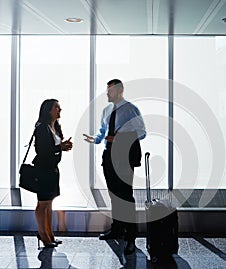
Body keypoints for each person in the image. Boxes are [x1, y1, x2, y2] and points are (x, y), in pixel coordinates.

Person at [83, 79, 146, 255]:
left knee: (126, 195)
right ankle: (117, 229)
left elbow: (142, 133)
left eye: (110, 91)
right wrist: (95, 139)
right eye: (107, 90)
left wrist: (119, 139)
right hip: (109, 155)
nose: (107, 94)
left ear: (119, 91)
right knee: (114, 195)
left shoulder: (131, 109)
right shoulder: (106, 110)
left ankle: (131, 237)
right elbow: (103, 131)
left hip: (124, 156)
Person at [33, 99, 73, 248]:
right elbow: (41, 151)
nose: (60, 109)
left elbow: (55, 147)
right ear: (48, 110)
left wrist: (64, 146)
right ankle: (43, 235)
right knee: (43, 204)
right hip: (43, 169)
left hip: (52, 169)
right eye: (57, 107)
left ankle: (49, 234)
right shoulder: (42, 128)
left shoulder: (55, 126)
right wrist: (60, 147)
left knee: (49, 203)